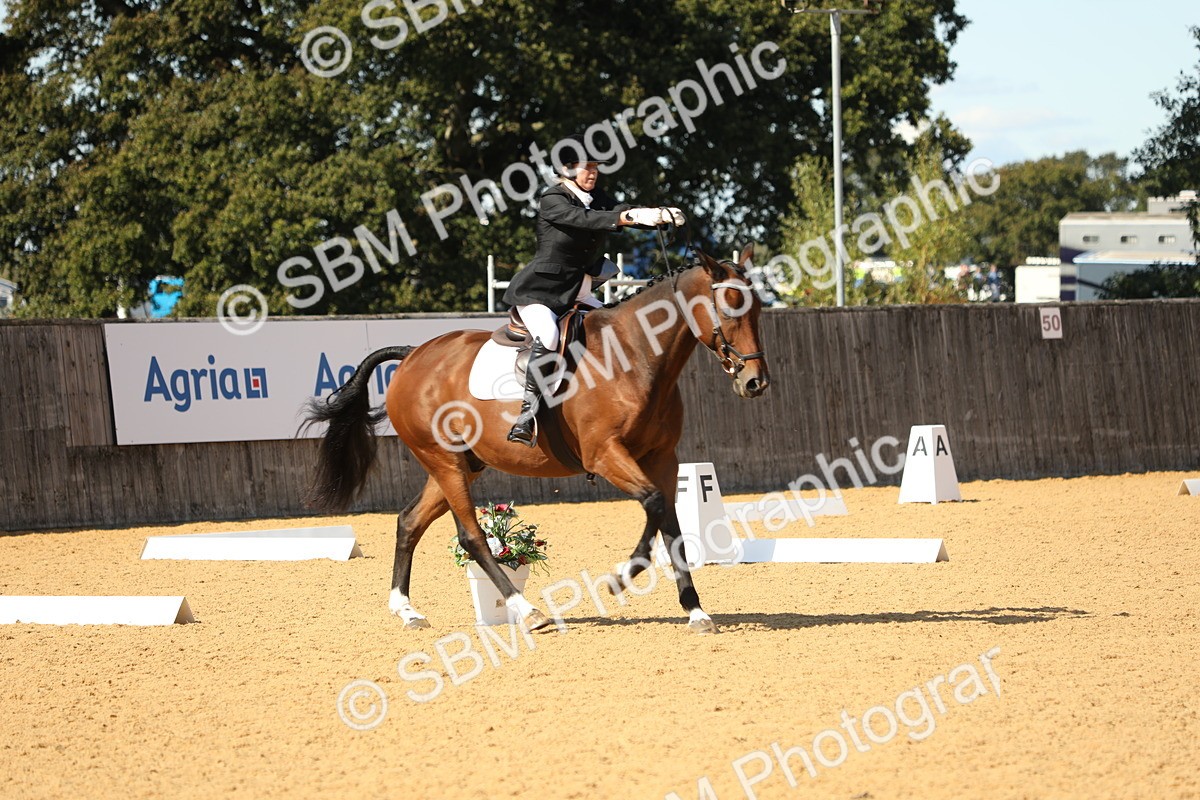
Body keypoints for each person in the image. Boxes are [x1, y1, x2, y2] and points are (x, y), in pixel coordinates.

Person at [502, 135, 685, 446]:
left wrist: (656, 216)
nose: (593, 173)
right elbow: (585, 220)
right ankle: (526, 415)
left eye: (596, 168)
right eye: (587, 168)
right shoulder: (553, 200)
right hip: (540, 295)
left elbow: (621, 210)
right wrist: (627, 217)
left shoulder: (596, 196)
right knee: (547, 336)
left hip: (578, 292)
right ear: (567, 169)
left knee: (614, 330)